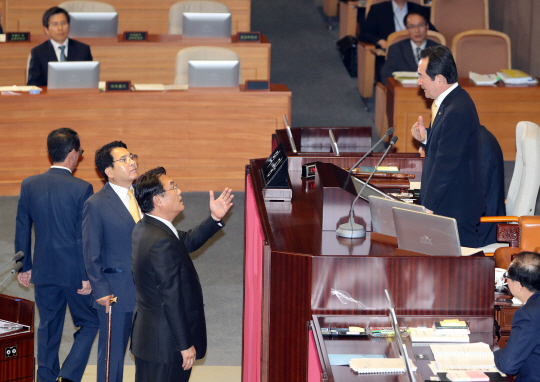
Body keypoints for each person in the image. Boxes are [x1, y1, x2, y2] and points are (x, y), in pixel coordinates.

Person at [131, 167, 233, 382]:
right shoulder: (160, 241)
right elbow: (171, 297)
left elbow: (184, 241)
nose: (179, 191)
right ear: (158, 200)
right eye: (173, 187)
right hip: (166, 346)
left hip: (153, 341)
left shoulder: (148, 227)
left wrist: (214, 218)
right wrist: (184, 344)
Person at [15, 128, 99, 382]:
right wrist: (86, 275)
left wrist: (24, 267)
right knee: (91, 322)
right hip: (74, 275)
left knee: (48, 328)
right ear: (72, 154)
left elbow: (22, 227)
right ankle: (70, 375)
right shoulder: (82, 188)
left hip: (43, 271)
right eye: (80, 153)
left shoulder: (29, 184)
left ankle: (46, 379)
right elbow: (82, 236)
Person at [411, 45, 485, 247]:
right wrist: (427, 138)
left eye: (421, 77)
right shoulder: (451, 102)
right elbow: (448, 146)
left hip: (455, 209)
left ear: (440, 80)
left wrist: (426, 209)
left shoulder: (456, 110)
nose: (419, 83)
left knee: (455, 275)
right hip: (450, 204)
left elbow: (446, 164)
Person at [82, 141, 140, 382]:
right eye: (124, 160)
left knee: (150, 355)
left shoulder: (144, 197)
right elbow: (90, 252)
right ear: (108, 171)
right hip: (116, 295)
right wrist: (102, 290)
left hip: (149, 292)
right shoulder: (96, 204)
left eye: (132, 157)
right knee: (112, 359)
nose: (133, 162)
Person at [494, 251, 540, 382]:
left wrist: (492, 354)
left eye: (506, 276)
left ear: (519, 285)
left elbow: (508, 365)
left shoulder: (528, 315)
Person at [27, 7, 93, 86]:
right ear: (46, 30)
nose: (60, 28)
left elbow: (89, 82)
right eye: (55, 24)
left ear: (69, 25)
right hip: (49, 97)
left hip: (76, 96)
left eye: (63, 23)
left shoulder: (83, 50)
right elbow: (33, 85)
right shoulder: (38, 52)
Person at [380, 11, 439, 85]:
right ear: (407, 29)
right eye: (412, 26)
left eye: (421, 25)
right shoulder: (396, 49)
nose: (417, 30)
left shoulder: (439, 50)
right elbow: (386, 75)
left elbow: (447, 76)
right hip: (404, 92)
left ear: (427, 27)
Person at [360, 0, 435, 50]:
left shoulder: (419, 9)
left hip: (415, 53)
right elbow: (365, 34)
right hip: (388, 54)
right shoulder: (377, 9)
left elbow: (433, 33)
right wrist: (380, 41)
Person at [477, 125, 505, 247]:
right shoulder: (477, 135)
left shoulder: (481, 146)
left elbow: (477, 198)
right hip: (479, 221)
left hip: (482, 231)